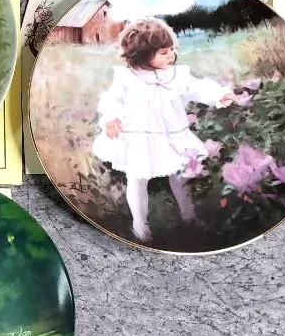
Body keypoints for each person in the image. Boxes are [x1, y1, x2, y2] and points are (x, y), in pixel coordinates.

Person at [92, 17, 238, 242]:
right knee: (137, 178)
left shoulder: (177, 74)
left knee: (180, 175)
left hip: (173, 135)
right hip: (140, 136)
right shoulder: (127, 77)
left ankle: (189, 216)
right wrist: (112, 118)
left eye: (172, 50)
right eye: (164, 52)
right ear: (142, 54)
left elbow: (196, 88)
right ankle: (140, 225)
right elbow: (113, 99)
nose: (171, 55)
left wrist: (219, 94)